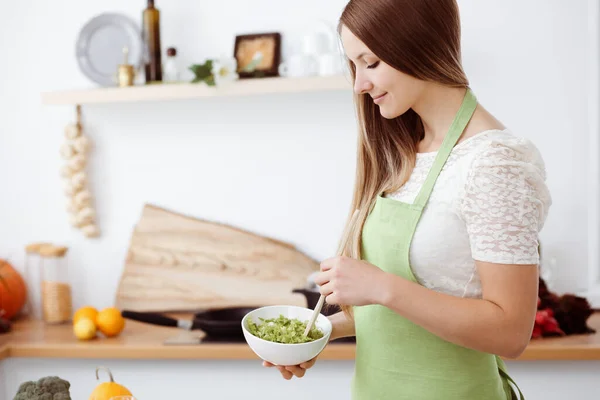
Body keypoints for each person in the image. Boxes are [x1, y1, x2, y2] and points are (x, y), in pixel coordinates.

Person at [263, 0, 551, 398]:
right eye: (355, 66)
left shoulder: (494, 163)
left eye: (372, 62)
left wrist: (382, 286)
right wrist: (319, 334)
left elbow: (511, 332)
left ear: (418, 45)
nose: (359, 84)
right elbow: (402, 314)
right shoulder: (403, 153)